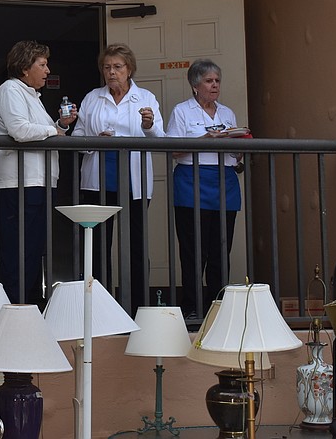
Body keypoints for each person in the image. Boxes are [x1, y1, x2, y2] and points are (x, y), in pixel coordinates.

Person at [72, 43, 164, 312]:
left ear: (129, 69)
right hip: (98, 179)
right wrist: (93, 141)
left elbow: (160, 138)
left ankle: (137, 305)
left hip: (133, 181)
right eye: (107, 67)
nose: (112, 72)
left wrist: (148, 127)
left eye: (117, 67)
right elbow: (77, 138)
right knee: (99, 246)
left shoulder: (145, 97)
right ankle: (100, 308)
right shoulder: (92, 97)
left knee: (135, 244)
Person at [0, 40, 78, 304]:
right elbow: (20, 130)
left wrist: (60, 124)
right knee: (18, 250)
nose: (47, 70)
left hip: (36, 182)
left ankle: (31, 305)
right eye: (42, 64)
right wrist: (56, 131)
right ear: (25, 67)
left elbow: (38, 129)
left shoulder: (29, 94)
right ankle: (17, 306)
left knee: (32, 249)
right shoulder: (10, 89)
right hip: (18, 183)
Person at [166, 59, 242, 317]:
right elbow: (174, 150)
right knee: (194, 251)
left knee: (221, 250)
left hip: (225, 182)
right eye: (209, 81)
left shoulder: (227, 113)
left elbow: (234, 150)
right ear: (195, 85)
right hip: (192, 182)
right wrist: (205, 138)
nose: (215, 86)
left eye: (217, 81)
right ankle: (192, 308)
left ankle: (218, 308)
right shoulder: (182, 111)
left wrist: (239, 151)